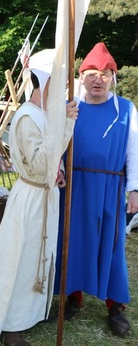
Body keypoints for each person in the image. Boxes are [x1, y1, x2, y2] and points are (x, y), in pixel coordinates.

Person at [0, 55, 77, 345]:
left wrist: (58, 173)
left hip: (46, 193)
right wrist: (65, 127)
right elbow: (40, 163)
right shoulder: (28, 117)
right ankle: (8, 323)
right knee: (19, 257)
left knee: (38, 256)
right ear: (45, 81)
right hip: (30, 197)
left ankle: (29, 313)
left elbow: (49, 161)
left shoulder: (46, 114)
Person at [54, 42, 138, 338]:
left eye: (104, 73)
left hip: (109, 185)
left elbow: (134, 151)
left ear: (113, 77)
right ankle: (72, 296)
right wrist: (59, 168)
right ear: (81, 77)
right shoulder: (70, 108)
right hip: (75, 186)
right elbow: (57, 145)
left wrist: (135, 189)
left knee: (111, 242)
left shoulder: (126, 109)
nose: (97, 79)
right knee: (73, 239)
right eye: (91, 73)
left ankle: (115, 306)